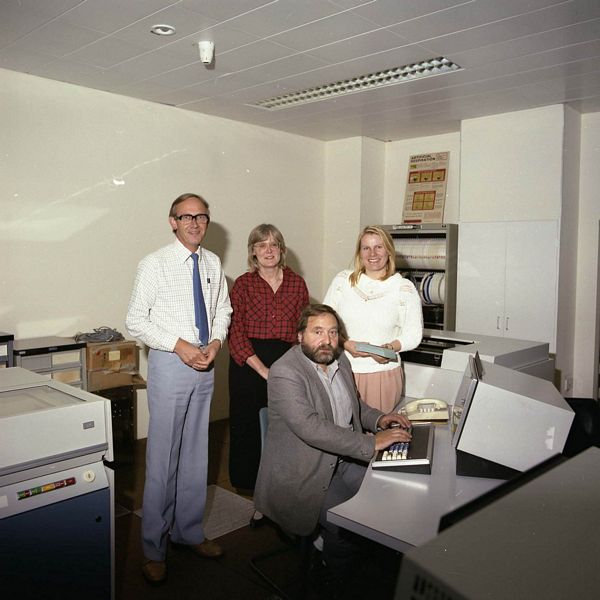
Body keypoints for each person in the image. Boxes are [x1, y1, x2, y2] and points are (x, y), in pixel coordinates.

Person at [254, 303, 412, 592]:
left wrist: (379, 419)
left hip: (341, 460)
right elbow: (310, 427)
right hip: (304, 472)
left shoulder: (341, 360)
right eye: (317, 332)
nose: (326, 340)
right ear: (300, 336)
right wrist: (370, 442)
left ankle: (342, 556)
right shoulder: (285, 372)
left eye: (332, 332)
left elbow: (354, 406)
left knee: (389, 497)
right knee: (348, 524)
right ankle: (333, 581)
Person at [126, 193, 232, 585]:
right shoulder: (154, 264)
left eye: (201, 216)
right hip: (172, 363)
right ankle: (154, 548)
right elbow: (136, 320)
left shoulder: (212, 262)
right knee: (162, 459)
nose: (194, 223)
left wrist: (217, 343)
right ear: (172, 221)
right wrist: (179, 346)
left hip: (206, 362)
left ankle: (187, 532)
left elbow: (223, 309)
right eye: (185, 217)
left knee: (195, 454)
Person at [227, 224, 308, 508]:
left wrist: (293, 367)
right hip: (249, 361)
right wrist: (263, 371)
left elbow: (303, 329)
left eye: (274, 244)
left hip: (287, 359)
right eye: (262, 245)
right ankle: (249, 487)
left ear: (282, 250)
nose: (269, 250)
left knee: (285, 424)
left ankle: (282, 484)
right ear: (253, 252)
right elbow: (235, 331)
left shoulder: (297, 283)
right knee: (247, 424)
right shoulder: (243, 285)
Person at [323, 225, 423, 413]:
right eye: (366, 248)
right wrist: (345, 344)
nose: (372, 253)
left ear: (389, 250)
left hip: (381, 375)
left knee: (376, 435)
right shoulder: (342, 281)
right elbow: (324, 323)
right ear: (359, 252)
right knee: (341, 433)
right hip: (340, 370)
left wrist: (389, 348)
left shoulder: (403, 288)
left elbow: (413, 334)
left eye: (379, 247)